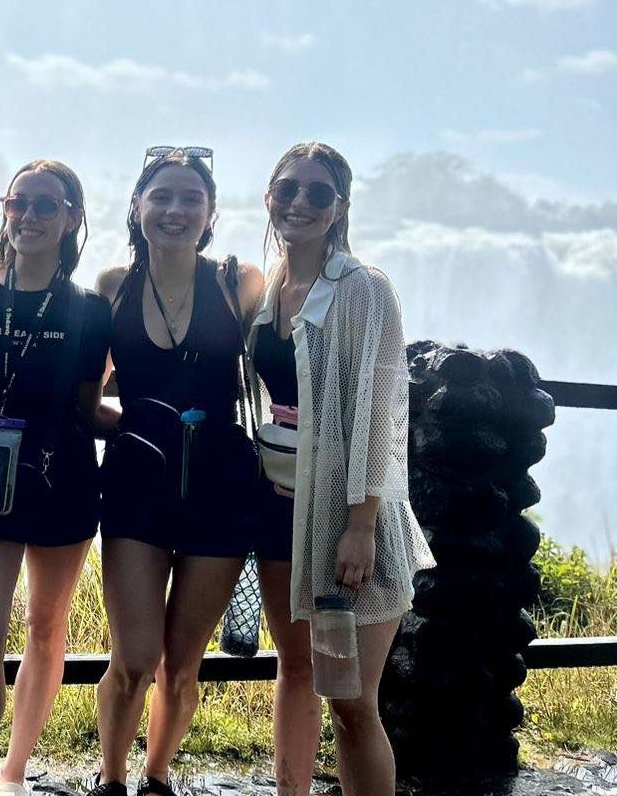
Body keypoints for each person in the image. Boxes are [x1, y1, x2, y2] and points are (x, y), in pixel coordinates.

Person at [249, 142, 434, 796]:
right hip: (280, 511)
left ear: (340, 209)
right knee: (295, 671)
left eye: (317, 192)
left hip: (348, 524)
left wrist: (361, 525)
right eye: (288, 188)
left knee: (352, 703)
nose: (300, 202)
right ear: (269, 196)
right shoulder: (268, 286)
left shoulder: (363, 289)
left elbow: (383, 412)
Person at [89, 147, 265, 796]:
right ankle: (111, 780)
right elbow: (88, 395)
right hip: (136, 487)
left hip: (222, 489)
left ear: (212, 212)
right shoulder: (113, 287)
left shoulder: (238, 281)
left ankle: (156, 776)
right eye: (161, 196)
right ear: (137, 207)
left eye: (191, 198)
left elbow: (283, 351)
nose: (175, 209)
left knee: (183, 665)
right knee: (134, 658)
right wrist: (137, 429)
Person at [0, 160, 113, 796]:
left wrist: (159, 431)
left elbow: (89, 408)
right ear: (5, 210)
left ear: (72, 219)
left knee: (45, 628)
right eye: (20, 204)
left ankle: (16, 770)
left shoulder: (91, 311)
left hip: (62, 477)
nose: (31, 217)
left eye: (47, 206)